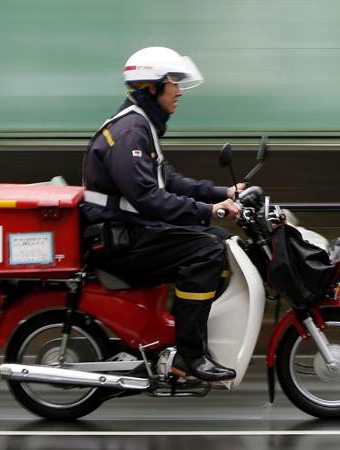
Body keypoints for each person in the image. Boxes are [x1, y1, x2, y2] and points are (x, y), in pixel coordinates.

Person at [81, 47, 244, 381]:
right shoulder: (130, 133)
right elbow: (149, 198)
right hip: (118, 238)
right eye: (174, 83)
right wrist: (208, 210)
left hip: (129, 230)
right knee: (207, 251)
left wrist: (223, 193)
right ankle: (190, 355)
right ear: (151, 87)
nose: (180, 92)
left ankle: (180, 329)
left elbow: (169, 180)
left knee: (221, 242)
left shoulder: (140, 126)